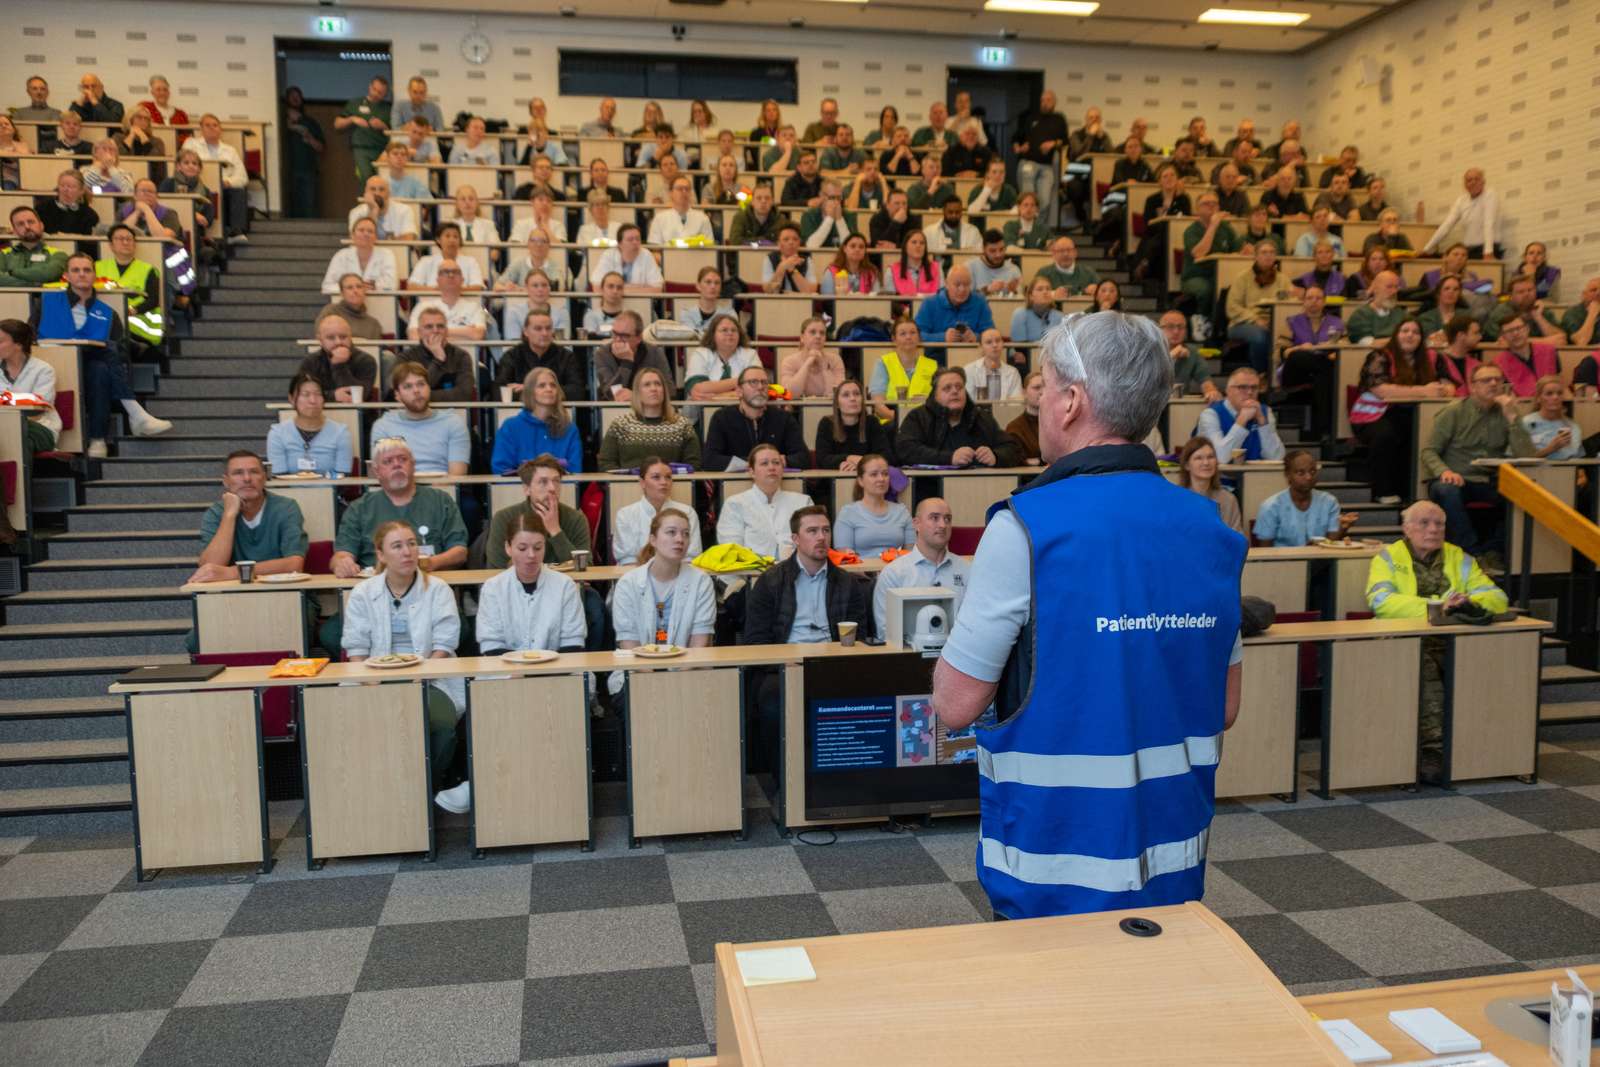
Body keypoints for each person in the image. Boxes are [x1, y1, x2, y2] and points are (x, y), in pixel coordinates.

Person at [932, 311, 1246, 920]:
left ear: (1072, 401)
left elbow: (954, 706)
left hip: (1051, 867)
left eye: (1044, 386)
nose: (1040, 399)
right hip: (1174, 860)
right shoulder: (1212, 528)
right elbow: (1225, 706)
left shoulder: (1024, 526)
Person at [1366, 500, 1507, 780]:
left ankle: (1484, 748)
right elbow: (1380, 601)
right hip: (1403, 639)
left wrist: (1467, 602)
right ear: (1407, 529)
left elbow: (1498, 598)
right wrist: (1437, 607)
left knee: (1487, 660)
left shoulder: (1459, 557)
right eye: (1424, 523)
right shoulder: (1387, 558)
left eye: (1439, 523)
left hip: (1455, 638)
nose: (1433, 529)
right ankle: (1434, 751)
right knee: (1423, 665)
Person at [342, 520, 465, 799]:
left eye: (411, 543)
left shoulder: (437, 589)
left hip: (431, 678)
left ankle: (420, 796)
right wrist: (371, 683)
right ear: (381, 554)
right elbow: (356, 646)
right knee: (359, 723)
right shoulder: (364, 592)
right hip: (375, 678)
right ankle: (378, 794)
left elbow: (444, 644)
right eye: (397, 546)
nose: (408, 552)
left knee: (441, 729)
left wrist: (418, 679)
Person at [745, 504, 868, 766]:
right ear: (795, 539)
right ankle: (783, 783)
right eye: (812, 531)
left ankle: (837, 780)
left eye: (825, 530)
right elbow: (756, 640)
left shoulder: (848, 582)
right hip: (783, 667)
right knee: (773, 702)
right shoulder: (771, 581)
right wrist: (784, 663)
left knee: (860, 699)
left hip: (833, 663)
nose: (821, 537)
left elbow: (861, 635)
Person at [32, 251, 171, 456]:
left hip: (90, 369)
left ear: (94, 276)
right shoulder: (45, 303)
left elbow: (121, 353)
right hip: (52, 367)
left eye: (87, 270)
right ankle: (134, 412)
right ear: (67, 276)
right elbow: (30, 339)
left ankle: (98, 440)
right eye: (76, 270)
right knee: (107, 354)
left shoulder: (108, 313)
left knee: (101, 367)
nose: (82, 274)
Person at [1422, 363, 1535, 564]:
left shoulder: (1508, 411)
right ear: (1473, 386)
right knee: (1448, 491)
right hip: (1455, 478)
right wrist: (1444, 471)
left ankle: (1493, 550)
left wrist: (1512, 418)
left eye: (1498, 380)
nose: (1493, 384)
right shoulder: (1454, 411)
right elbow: (1429, 451)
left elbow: (1527, 455)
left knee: (1522, 492)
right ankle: (1472, 555)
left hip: (1488, 479)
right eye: (1486, 380)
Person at [610, 509, 715, 696]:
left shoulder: (701, 581)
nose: (680, 539)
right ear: (653, 540)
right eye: (671, 532)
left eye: (685, 534)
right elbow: (629, 644)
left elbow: (699, 644)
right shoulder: (628, 583)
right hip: (638, 675)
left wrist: (674, 683)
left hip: (688, 674)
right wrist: (656, 685)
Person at [187, 450, 309, 584]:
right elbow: (209, 568)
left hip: (283, 591)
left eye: (254, 472)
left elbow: (294, 564)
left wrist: (233, 572)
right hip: (231, 598)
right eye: (238, 473)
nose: (247, 478)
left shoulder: (286, 507)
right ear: (226, 482)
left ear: (264, 477)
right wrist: (229, 515)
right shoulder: (216, 512)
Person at [871, 495, 968, 635]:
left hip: (958, 653)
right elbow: (885, 633)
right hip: (908, 655)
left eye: (947, 519)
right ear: (916, 524)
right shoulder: (894, 573)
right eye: (934, 518)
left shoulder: (967, 570)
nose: (942, 525)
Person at [896, 367, 1020, 468]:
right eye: (947, 388)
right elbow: (906, 450)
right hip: (931, 488)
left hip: (978, 488)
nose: (955, 391)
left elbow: (1013, 448)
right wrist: (949, 458)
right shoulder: (918, 417)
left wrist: (996, 456)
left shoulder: (980, 417)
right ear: (935, 395)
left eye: (959, 387)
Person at [484, 455, 592, 569]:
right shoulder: (504, 518)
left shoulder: (576, 518)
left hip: (565, 586)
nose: (552, 488)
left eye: (556, 481)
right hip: (517, 586)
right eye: (543, 482)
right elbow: (497, 568)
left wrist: (555, 531)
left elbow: (585, 567)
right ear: (527, 489)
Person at [369, 362, 470, 475]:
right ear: (397, 395)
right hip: (398, 489)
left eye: (421, 384)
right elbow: (381, 473)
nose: (416, 390)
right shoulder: (383, 426)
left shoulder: (453, 423)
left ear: (429, 388)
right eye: (408, 386)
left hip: (443, 490)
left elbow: (457, 476)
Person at [703, 365, 808, 471]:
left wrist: (780, 461)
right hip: (735, 485)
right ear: (739, 391)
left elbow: (803, 458)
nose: (760, 387)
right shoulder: (722, 418)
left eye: (764, 382)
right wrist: (755, 462)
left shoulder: (784, 418)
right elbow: (710, 460)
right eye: (753, 382)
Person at [716, 443, 814, 556]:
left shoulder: (803, 503)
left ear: (782, 469)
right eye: (764, 463)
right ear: (752, 471)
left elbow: (812, 546)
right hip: (751, 572)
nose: (771, 468)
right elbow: (731, 552)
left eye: (776, 463)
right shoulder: (735, 504)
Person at [597, 366, 701, 470]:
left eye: (658, 384)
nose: (653, 389)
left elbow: (693, 465)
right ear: (637, 392)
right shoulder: (620, 425)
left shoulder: (682, 425)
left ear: (664, 391)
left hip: (671, 485)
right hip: (629, 486)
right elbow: (606, 463)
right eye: (647, 385)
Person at [1278, 286, 1345, 438]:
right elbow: (1282, 352)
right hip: (1296, 370)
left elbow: (1343, 349)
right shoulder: (1292, 321)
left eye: (1318, 298)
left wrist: (1329, 352)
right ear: (1303, 301)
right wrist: (1301, 348)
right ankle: (1327, 430)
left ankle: (1322, 431)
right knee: (1301, 357)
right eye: (1310, 298)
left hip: (1322, 370)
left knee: (1323, 376)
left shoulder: (1337, 323)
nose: (1314, 301)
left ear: (1325, 302)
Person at [612, 457, 704, 566]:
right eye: (656, 477)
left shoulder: (687, 512)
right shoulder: (625, 515)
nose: (664, 482)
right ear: (642, 483)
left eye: (668, 477)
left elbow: (691, 557)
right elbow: (627, 561)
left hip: (680, 576)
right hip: (636, 577)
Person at [1253, 450, 1357, 546]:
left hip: (1319, 563)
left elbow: (1330, 545)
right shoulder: (1271, 507)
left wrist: (1342, 529)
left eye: (1312, 471)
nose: (1309, 477)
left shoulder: (1329, 502)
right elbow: (1264, 551)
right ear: (1287, 475)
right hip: (1282, 564)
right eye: (1301, 473)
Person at [492, 367, 581, 475]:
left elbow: (575, 469)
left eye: (553, 385)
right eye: (542, 385)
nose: (549, 389)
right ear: (530, 392)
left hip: (562, 489)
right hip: (519, 490)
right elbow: (500, 468)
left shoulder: (569, 428)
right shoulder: (510, 427)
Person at [267, 373, 353, 478]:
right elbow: (278, 477)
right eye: (305, 394)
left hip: (329, 492)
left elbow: (343, 476)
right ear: (291, 399)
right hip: (290, 492)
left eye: (318, 394)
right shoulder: (278, 434)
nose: (313, 400)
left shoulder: (340, 433)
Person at [181, 114, 250, 240]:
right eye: (207, 125)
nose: (212, 128)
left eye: (215, 125)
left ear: (220, 129)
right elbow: (184, 167)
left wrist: (229, 182)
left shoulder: (230, 150)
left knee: (238, 190)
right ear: (201, 129)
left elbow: (243, 177)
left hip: (224, 185)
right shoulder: (191, 144)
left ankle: (236, 232)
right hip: (199, 185)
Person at [1195, 367, 1285, 462]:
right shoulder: (1210, 415)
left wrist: (1263, 423)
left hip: (1256, 475)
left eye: (1254, 388)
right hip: (1220, 476)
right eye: (1242, 387)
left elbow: (1276, 457)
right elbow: (1220, 458)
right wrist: (1241, 421)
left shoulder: (1265, 412)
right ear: (1228, 390)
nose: (1250, 392)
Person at [1224, 243, 1290, 374]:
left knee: (1288, 337)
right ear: (1255, 256)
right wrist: (1255, 319)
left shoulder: (1283, 279)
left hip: (1273, 322)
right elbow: (1231, 307)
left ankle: (1279, 377)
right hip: (1242, 323)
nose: (1268, 256)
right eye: (1264, 252)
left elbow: (1287, 305)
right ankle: (1261, 374)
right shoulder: (1242, 278)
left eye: (1272, 252)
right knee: (1260, 336)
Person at [496, 308, 583, 403]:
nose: (544, 333)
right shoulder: (512, 356)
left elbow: (577, 392)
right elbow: (498, 392)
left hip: (556, 413)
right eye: (538, 329)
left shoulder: (566, 357)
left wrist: (529, 390)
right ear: (525, 331)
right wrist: (547, 392)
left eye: (548, 328)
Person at [0, 320, 60, 456]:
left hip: (41, 427)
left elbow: (40, 403)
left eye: (0, 341)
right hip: (5, 425)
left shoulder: (43, 370)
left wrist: (4, 399)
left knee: (18, 436)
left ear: (18, 344)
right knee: (23, 442)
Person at [833, 454, 913, 555]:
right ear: (860, 481)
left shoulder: (902, 511)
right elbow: (844, 557)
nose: (881, 479)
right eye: (874, 474)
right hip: (860, 570)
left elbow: (911, 553)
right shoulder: (847, 513)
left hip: (896, 569)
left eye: (885, 474)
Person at [683, 313, 760, 414]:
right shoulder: (701, 353)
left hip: (743, 413)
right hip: (702, 415)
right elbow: (700, 389)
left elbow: (756, 387)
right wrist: (741, 381)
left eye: (734, 330)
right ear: (713, 334)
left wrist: (715, 391)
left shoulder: (750, 354)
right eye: (724, 330)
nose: (730, 333)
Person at [399, 307, 477, 404]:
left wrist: (420, 396)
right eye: (429, 327)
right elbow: (404, 395)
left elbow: (464, 394)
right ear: (419, 332)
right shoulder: (406, 357)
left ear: (447, 331)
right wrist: (438, 359)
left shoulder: (461, 356)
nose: (435, 330)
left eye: (440, 326)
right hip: (415, 416)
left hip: (453, 414)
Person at [1422, 167, 1501, 259]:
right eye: (1469, 180)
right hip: (1469, 250)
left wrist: (1488, 252)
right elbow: (1446, 225)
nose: (1473, 182)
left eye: (1477, 179)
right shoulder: (1461, 200)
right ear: (1465, 185)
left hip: (1488, 249)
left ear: (1483, 182)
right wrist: (1426, 249)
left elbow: (1489, 223)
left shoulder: (1490, 195)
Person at [869, 316, 938, 422]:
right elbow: (878, 405)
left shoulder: (933, 365)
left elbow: (939, 401)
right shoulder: (883, 363)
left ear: (919, 337)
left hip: (925, 422)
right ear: (894, 339)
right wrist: (899, 418)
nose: (908, 337)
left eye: (912, 333)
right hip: (891, 422)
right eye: (903, 334)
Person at [815, 379, 894, 471]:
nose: (853, 398)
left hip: (867, 480)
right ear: (837, 404)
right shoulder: (826, 424)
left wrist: (863, 464)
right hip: (833, 481)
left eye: (857, 394)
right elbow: (822, 459)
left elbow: (887, 457)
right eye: (846, 395)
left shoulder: (872, 422)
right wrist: (849, 458)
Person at [595, 311, 674, 402]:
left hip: (649, 409)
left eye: (624, 336)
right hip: (614, 411)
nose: (617, 340)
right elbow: (611, 395)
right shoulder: (602, 354)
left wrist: (637, 397)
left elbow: (670, 391)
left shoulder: (654, 352)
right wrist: (627, 363)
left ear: (639, 338)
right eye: (615, 333)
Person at [297, 314, 376, 404]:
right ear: (320, 340)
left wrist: (339, 365)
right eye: (331, 338)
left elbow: (356, 397)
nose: (338, 342)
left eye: (343, 337)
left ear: (350, 337)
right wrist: (333, 396)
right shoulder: (310, 361)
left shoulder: (366, 360)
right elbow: (303, 395)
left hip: (358, 416)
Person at [1176, 437, 1244, 535]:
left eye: (1210, 457)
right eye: (1199, 458)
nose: (1206, 463)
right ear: (1187, 465)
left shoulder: (1228, 500)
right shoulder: (1177, 500)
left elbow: (1237, 540)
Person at [405, 262, 486, 341]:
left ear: (462, 280)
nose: (451, 275)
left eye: (456, 272)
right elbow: (413, 336)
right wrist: (466, 331)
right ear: (437, 280)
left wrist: (432, 332)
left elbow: (478, 335)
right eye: (445, 272)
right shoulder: (422, 306)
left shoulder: (475, 307)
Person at [914, 265, 995, 344]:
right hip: (936, 355)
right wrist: (943, 337)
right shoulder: (929, 304)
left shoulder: (980, 302)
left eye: (966, 285)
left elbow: (992, 334)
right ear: (946, 284)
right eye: (957, 285)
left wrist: (976, 337)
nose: (962, 289)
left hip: (972, 354)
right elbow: (916, 335)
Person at [320, 218, 396, 295]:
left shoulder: (386, 254)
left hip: (381, 303)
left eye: (370, 231)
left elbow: (392, 285)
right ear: (352, 235)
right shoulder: (341, 255)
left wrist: (374, 286)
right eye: (361, 230)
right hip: (347, 304)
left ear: (375, 237)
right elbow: (327, 286)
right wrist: (352, 288)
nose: (366, 234)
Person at [336, 76, 391, 182]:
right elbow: (337, 124)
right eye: (374, 89)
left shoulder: (388, 108)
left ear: (385, 94)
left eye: (380, 92)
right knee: (365, 178)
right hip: (361, 149)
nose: (376, 94)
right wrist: (352, 119)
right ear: (370, 87)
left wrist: (383, 126)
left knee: (383, 180)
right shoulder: (355, 103)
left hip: (382, 149)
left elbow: (394, 133)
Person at [1486, 274, 1567, 345]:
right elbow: (1505, 341)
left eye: (1530, 290)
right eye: (1521, 292)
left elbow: (1561, 340)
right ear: (1510, 296)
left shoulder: (1542, 310)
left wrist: (1538, 317)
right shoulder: (1502, 312)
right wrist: (1547, 341)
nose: (1527, 294)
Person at [1491, 315, 1560, 397]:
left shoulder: (1549, 351)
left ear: (1527, 329)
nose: (1515, 333)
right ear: (1503, 336)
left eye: (1519, 328)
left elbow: (1560, 380)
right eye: (1509, 331)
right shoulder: (1498, 363)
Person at [779, 317, 847, 400]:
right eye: (812, 332)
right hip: (798, 410)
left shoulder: (835, 360)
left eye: (822, 333)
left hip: (830, 408)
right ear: (802, 337)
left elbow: (837, 395)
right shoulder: (789, 361)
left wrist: (824, 366)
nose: (818, 336)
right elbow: (790, 395)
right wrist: (808, 362)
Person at [0, 206, 68, 287]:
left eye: (31, 222)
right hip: (12, 299)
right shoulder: (3, 255)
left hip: (45, 299)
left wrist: (11, 272)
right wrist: (36, 284)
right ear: (14, 231)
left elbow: (49, 274)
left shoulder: (58, 254)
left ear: (41, 225)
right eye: (20, 224)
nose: (27, 227)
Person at [1161, 311, 1220, 401]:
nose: (1176, 331)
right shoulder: (1148, 350)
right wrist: (1171, 356)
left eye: (1180, 327)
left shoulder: (1192, 351)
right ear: (1160, 330)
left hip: (1178, 406)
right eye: (1170, 327)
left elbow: (1204, 378)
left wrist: (1210, 391)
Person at [408, 224, 485, 290]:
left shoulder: (470, 262)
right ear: (438, 240)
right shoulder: (425, 261)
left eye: (455, 237)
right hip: (431, 304)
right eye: (447, 236)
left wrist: (453, 290)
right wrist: (437, 290)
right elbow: (411, 287)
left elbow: (478, 287)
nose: (452, 240)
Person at [589, 224, 663, 292]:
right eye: (630, 240)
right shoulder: (608, 255)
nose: (635, 242)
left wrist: (617, 288)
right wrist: (641, 287)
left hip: (640, 304)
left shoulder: (646, 255)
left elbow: (657, 288)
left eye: (637, 239)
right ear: (620, 244)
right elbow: (597, 287)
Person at [347, 175, 419, 241]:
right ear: (366, 193)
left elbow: (409, 238)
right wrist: (374, 211)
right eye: (373, 189)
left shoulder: (404, 210)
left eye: (381, 189)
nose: (377, 193)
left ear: (389, 193)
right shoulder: (356, 212)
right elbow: (357, 240)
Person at [647, 175, 714, 244]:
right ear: (671, 193)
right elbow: (655, 250)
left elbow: (709, 248)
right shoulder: (659, 218)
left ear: (691, 193)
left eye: (687, 189)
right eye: (679, 189)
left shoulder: (703, 218)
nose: (684, 192)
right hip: (668, 255)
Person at [1345, 269, 1406, 342]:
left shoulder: (1401, 314)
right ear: (1375, 288)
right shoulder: (1360, 316)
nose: (1394, 291)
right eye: (1389, 287)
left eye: (1396, 287)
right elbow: (1369, 344)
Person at [963, 328, 1022, 400]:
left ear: (1003, 344)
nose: (994, 345)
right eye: (989, 342)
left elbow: (1015, 403)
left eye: (998, 341)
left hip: (1004, 411)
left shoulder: (1013, 373)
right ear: (981, 347)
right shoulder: (969, 370)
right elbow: (968, 401)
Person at [33, 170, 97, 235]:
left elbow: (89, 241)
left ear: (81, 191)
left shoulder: (89, 215)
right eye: (62, 185)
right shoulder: (42, 209)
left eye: (71, 186)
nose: (66, 189)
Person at [761, 223, 818, 294]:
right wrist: (782, 267)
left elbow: (811, 291)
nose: (791, 242)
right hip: (776, 303)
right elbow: (768, 290)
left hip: (800, 303)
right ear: (778, 243)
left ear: (799, 243)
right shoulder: (770, 259)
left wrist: (792, 270)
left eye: (795, 239)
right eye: (786, 239)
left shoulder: (807, 260)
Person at [800, 181, 855, 250]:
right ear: (821, 195)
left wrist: (839, 220)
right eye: (832, 197)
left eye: (839, 198)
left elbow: (852, 248)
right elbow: (811, 246)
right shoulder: (809, 215)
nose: (836, 202)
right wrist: (829, 218)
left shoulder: (849, 215)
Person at [884, 229, 941, 296]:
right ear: (905, 246)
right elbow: (891, 303)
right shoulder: (891, 271)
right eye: (914, 242)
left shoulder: (937, 268)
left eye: (922, 243)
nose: (918, 246)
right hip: (903, 306)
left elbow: (941, 297)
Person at [968, 230, 1022, 297]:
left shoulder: (1014, 270)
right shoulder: (970, 268)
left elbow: (1021, 300)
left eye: (1001, 249)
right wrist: (987, 290)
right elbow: (965, 298)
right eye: (993, 251)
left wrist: (1014, 291)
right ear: (983, 249)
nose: (998, 255)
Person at [1006, 371, 1044, 464]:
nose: (1042, 392)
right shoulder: (1015, 427)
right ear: (1024, 392)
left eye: (1045, 387)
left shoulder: (1059, 424)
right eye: (1037, 388)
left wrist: (1038, 461)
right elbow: (1015, 458)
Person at [1561, 275, 1600, 350]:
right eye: (1593, 290)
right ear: (1583, 295)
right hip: (1579, 357)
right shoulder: (1572, 313)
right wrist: (1592, 313)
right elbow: (1581, 341)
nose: (1598, 293)